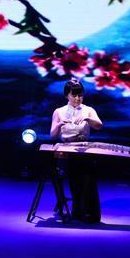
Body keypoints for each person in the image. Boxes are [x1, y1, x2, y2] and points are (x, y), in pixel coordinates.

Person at [50, 78, 103, 222]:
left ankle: (88, 212)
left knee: (88, 175)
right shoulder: (59, 112)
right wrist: (59, 124)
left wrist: (88, 119)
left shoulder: (88, 110)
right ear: (67, 95)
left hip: (84, 149)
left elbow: (99, 125)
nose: (78, 99)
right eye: (74, 95)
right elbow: (53, 135)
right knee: (73, 173)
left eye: (80, 95)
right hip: (66, 150)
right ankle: (77, 209)